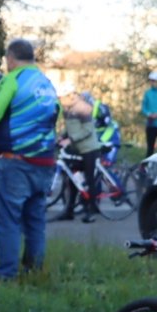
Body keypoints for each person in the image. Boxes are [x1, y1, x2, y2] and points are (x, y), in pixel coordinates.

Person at [0, 39, 59, 281]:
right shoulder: (47, 84)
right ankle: (33, 272)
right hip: (45, 161)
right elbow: (56, 116)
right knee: (35, 221)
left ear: (10, 59)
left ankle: (6, 276)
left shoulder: (12, 80)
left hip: (16, 162)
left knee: (8, 221)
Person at [56, 93, 102, 223]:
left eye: (62, 98)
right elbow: (71, 127)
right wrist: (62, 136)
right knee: (73, 179)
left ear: (70, 96)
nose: (60, 100)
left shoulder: (83, 108)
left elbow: (87, 129)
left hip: (89, 149)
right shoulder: (67, 109)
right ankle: (69, 211)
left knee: (89, 179)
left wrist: (70, 140)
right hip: (77, 149)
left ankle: (91, 212)